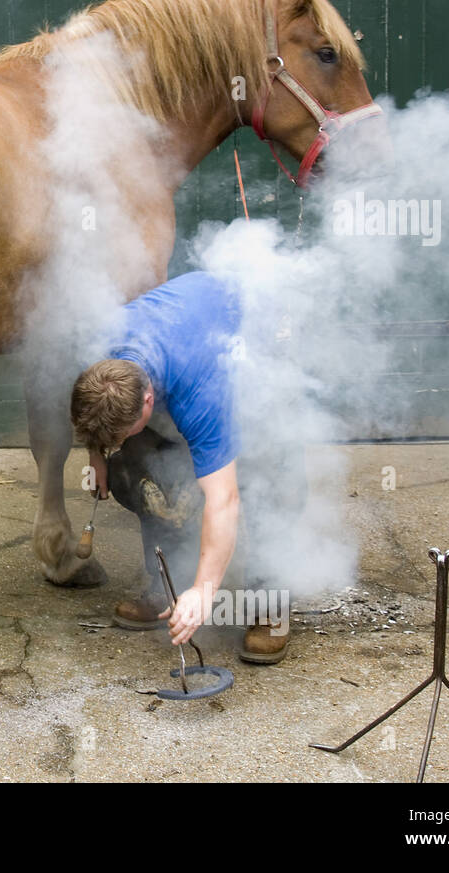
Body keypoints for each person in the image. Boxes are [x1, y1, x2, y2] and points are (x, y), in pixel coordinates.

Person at [69, 270, 288, 663]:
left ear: (149, 401)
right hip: (181, 331)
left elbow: (224, 499)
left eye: (121, 433)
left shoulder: (203, 390)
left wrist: (205, 590)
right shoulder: (99, 353)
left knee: (264, 471)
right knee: (137, 473)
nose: (114, 443)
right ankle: (165, 587)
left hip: (256, 345)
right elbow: (95, 415)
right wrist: (97, 455)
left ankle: (267, 604)